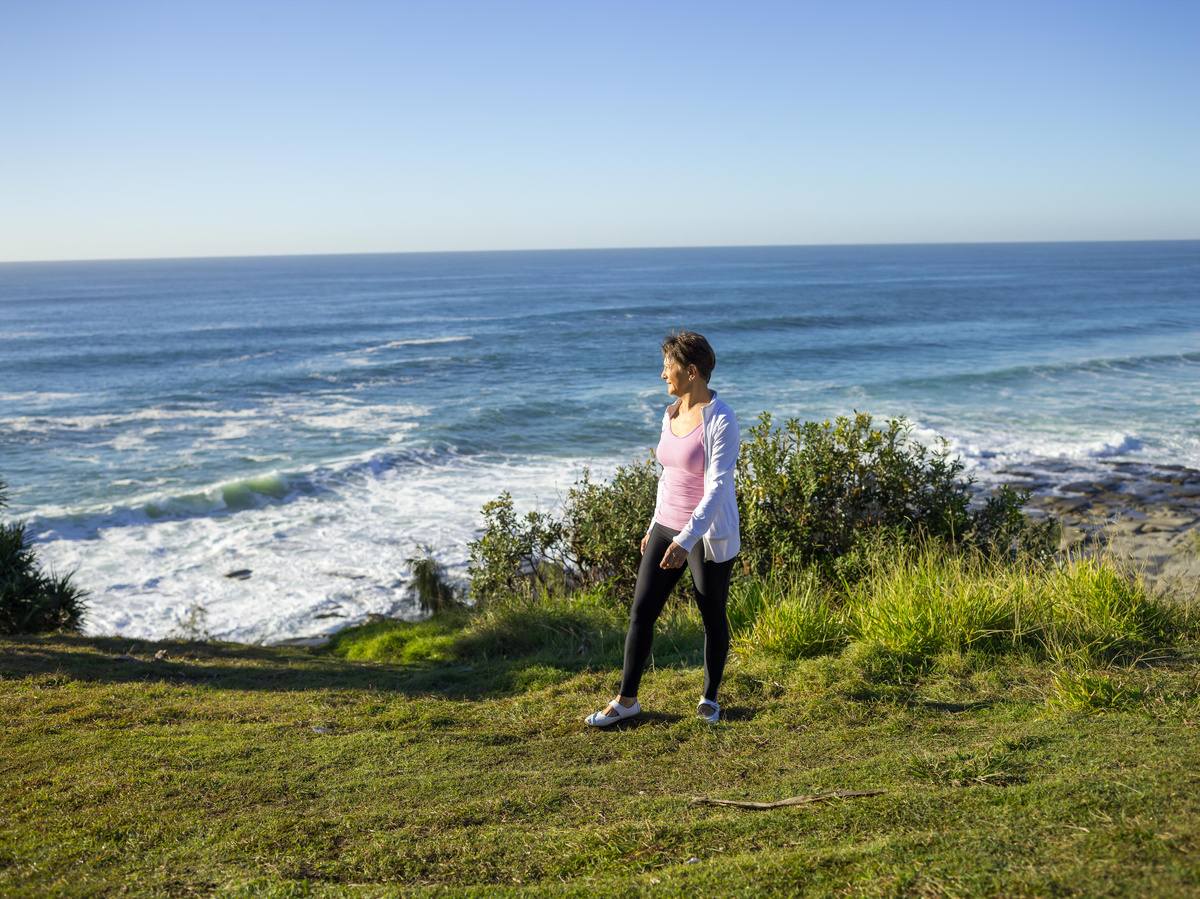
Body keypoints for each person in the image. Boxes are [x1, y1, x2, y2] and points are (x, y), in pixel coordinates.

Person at [586, 330, 740, 727]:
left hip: (705, 534)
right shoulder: (670, 413)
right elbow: (667, 476)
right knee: (641, 612)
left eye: (667, 367)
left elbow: (718, 488)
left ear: (691, 371)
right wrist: (656, 524)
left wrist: (686, 540)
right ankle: (626, 700)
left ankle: (709, 698)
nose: (662, 375)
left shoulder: (722, 420)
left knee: (712, 615)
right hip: (666, 524)